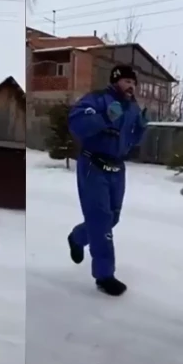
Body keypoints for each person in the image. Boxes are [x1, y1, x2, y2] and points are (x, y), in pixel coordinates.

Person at [67, 64, 148, 296]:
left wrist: (140, 129)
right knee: (101, 219)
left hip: (117, 167)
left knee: (112, 217)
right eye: (126, 82)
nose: (131, 86)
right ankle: (104, 275)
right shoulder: (97, 100)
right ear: (115, 81)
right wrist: (104, 117)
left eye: (133, 83)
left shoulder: (132, 108)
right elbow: (77, 125)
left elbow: (130, 142)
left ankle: (77, 237)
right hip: (93, 165)